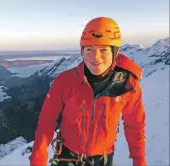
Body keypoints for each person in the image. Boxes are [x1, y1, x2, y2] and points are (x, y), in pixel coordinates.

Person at [29, 17, 147, 166]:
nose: (95, 57)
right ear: (82, 52)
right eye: (89, 49)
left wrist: (139, 159)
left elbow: (134, 125)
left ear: (115, 53)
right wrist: (38, 158)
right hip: (67, 157)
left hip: (102, 160)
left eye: (103, 50)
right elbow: (47, 120)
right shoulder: (65, 81)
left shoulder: (127, 86)